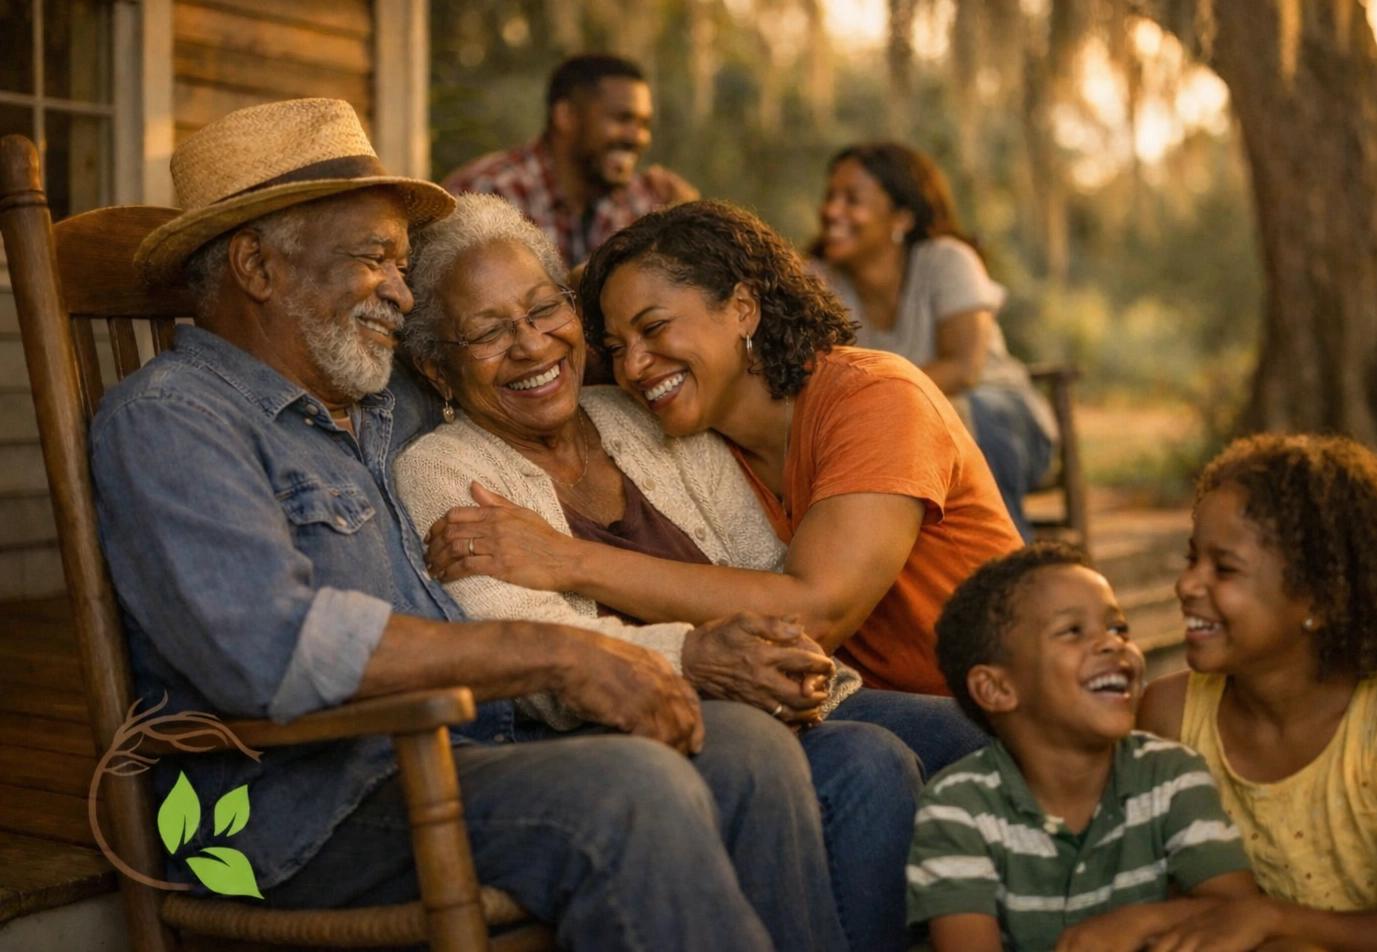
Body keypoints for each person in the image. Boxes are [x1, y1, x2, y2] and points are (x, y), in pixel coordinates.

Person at [92, 98, 848, 951]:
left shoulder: (382, 398)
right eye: (374, 260)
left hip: (474, 752)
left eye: (403, 263)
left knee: (746, 751)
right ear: (257, 268)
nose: (402, 291)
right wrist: (559, 652)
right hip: (304, 813)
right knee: (631, 793)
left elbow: (523, 363)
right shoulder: (172, 421)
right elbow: (268, 651)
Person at [392, 192, 934, 951]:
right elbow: (530, 651)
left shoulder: (638, 416)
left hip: (781, 698)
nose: (530, 345)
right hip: (615, 732)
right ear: (435, 369)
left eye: (545, 309)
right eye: (485, 332)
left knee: (943, 744)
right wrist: (697, 658)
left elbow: (765, 576)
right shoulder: (441, 472)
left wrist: (772, 657)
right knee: (846, 759)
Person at [425, 198, 1021, 703]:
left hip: (1002, 705)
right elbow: (544, 349)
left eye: (655, 329)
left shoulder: (877, 399)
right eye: (615, 344)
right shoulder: (694, 434)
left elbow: (810, 614)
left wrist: (565, 559)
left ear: (743, 307)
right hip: (865, 708)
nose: (632, 365)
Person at [1138, 434, 1377, 952]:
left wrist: (1266, 919)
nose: (1188, 585)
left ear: (1319, 599)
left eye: (1224, 569)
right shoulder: (1169, 714)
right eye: (1192, 559)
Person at [910, 543, 1256, 952]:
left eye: (1118, 628)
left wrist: (1140, 921)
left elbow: (1239, 916)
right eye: (1073, 631)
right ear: (998, 688)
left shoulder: (1172, 774)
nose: (1113, 645)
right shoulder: (958, 808)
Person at [811, 142, 1056, 537]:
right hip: (895, 429)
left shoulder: (948, 260)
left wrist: (875, 401)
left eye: (852, 199)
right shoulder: (817, 281)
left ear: (902, 218)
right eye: (830, 197)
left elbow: (963, 369)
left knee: (960, 416)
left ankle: (1005, 568)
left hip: (1000, 418)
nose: (831, 211)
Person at [440, 53, 698, 268]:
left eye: (644, 124)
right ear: (566, 117)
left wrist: (688, 221)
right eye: (622, 120)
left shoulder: (644, 202)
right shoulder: (488, 192)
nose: (638, 138)